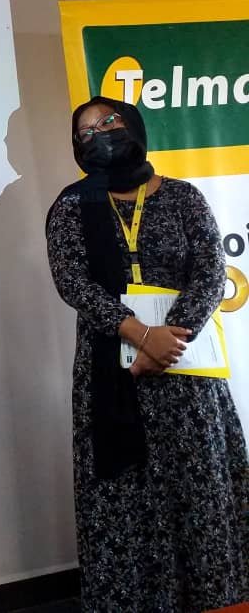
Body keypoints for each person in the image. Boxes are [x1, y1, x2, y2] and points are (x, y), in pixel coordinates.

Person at [45, 96, 248, 611]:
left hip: (186, 368)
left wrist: (170, 338)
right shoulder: (72, 206)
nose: (99, 134)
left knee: (198, 493)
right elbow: (72, 281)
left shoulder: (183, 197)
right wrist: (139, 334)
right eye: (86, 131)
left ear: (133, 125)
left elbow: (210, 272)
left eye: (108, 121)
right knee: (123, 498)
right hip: (113, 373)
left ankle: (210, 598)